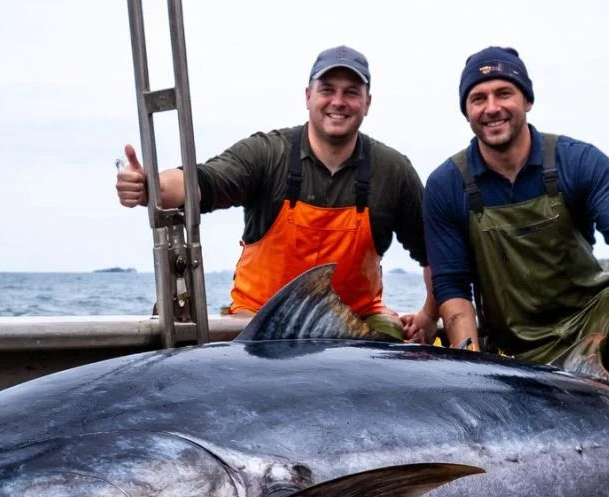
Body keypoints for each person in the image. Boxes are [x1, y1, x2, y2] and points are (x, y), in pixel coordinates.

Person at [423, 46, 609, 412]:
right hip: (514, 347)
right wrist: (470, 374)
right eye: (477, 98)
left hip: (594, 321)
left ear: (527, 100)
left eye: (504, 93)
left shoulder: (576, 160)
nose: (491, 108)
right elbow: (453, 287)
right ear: (466, 111)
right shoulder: (446, 184)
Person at [116, 45, 438, 343]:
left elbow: (435, 252)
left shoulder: (393, 171)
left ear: (367, 102)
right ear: (308, 96)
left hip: (357, 317)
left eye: (351, 93)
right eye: (327, 90)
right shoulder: (267, 154)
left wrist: (428, 313)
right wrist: (151, 188)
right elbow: (205, 182)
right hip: (260, 316)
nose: (338, 102)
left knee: (393, 339)